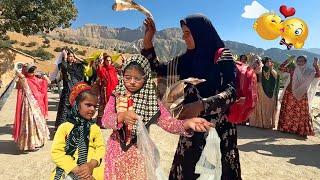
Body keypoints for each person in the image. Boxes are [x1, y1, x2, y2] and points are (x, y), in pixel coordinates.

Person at [142, 14, 241, 180]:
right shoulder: (185, 60)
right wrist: (148, 40)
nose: (184, 37)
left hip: (220, 131)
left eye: (188, 33)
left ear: (200, 32)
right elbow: (158, 69)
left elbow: (232, 91)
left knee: (219, 172)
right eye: (183, 33)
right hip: (192, 132)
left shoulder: (222, 56)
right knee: (189, 169)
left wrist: (202, 105)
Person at [101, 55, 212, 180]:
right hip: (115, 152)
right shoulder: (116, 95)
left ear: (146, 77)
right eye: (127, 77)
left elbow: (168, 122)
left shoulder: (152, 101)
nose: (132, 82)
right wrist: (121, 116)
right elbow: (105, 120)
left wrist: (187, 123)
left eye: (137, 78)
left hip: (138, 154)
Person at [51, 82, 105, 180]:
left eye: (95, 106)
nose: (92, 109)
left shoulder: (95, 128)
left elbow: (100, 148)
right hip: (69, 169)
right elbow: (57, 152)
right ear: (76, 105)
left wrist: (91, 165)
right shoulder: (65, 127)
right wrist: (76, 169)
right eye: (88, 105)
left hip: (91, 170)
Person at [278, 56, 320, 137]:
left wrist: (316, 65)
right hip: (290, 93)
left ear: (305, 62)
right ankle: (286, 128)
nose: (300, 62)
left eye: (302, 61)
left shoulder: (309, 71)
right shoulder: (292, 70)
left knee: (301, 113)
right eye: (298, 61)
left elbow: (318, 75)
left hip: (302, 95)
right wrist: (289, 60)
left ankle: (300, 130)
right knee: (288, 112)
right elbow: (281, 68)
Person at [13, 63, 50, 151]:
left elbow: (48, 82)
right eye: (31, 71)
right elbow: (16, 71)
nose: (32, 73)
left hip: (37, 104)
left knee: (39, 121)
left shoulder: (37, 79)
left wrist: (44, 75)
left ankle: (39, 141)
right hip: (28, 105)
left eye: (33, 71)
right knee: (30, 122)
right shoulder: (23, 79)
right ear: (26, 72)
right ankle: (30, 143)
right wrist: (23, 67)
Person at [53, 49, 85, 129]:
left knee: (75, 110)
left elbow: (86, 63)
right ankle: (62, 129)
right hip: (67, 91)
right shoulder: (63, 65)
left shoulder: (77, 66)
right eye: (70, 56)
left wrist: (77, 57)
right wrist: (65, 57)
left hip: (75, 91)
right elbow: (64, 67)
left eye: (72, 56)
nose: (71, 58)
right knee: (64, 110)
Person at [249, 57, 279, 128]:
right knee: (259, 105)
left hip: (269, 91)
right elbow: (255, 72)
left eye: (270, 61)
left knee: (268, 106)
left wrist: (271, 69)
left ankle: (267, 123)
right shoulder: (260, 68)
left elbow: (276, 76)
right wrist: (256, 62)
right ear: (264, 62)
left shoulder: (271, 70)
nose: (269, 63)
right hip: (259, 88)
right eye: (267, 62)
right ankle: (258, 123)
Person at [96, 53, 119, 127]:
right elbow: (100, 74)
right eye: (107, 60)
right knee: (103, 105)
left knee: (112, 106)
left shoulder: (113, 69)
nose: (108, 62)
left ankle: (111, 122)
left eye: (109, 60)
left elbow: (116, 79)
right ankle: (101, 122)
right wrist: (100, 63)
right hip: (105, 90)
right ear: (105, 61)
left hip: (113, 90)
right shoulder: (102, 68)